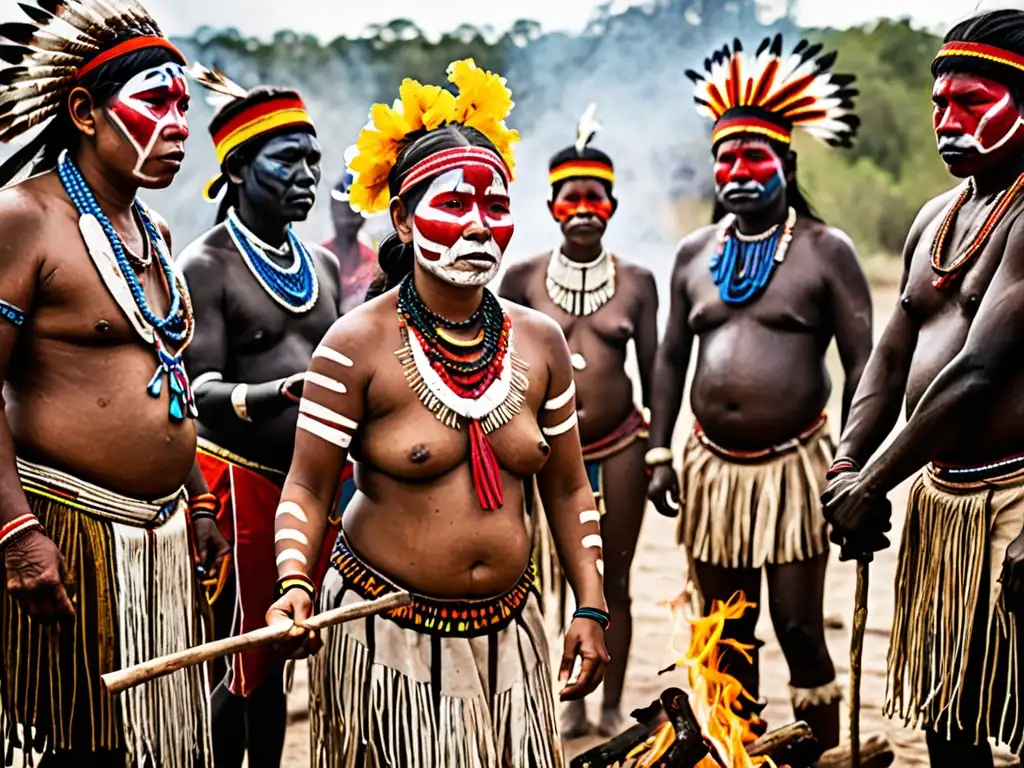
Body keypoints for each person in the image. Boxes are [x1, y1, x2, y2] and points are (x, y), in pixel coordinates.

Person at [263, 59, 610, 767]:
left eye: (496, 205)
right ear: (401, 217)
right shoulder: (356, 345)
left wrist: (591, 606)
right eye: (453, 205)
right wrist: (294, 585)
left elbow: (570, 487)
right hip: (386, 634)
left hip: (510, 633)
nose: (479, 226)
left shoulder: (539, 341)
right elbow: (306, 487)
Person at [0, 1, 229, 765]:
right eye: (155, 103)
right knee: (77, 743)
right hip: (69, 531)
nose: (178, 126)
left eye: (184, 106)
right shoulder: (24, 217)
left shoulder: (155, 234)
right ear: (84, 112)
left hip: (159, 535)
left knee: (148, 746)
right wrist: (16, 532)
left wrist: (196, 496)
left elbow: (161, 378)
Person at [645, 34, 872, 749]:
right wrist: (658, 451)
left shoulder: (825, 251)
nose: (738, 172)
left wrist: (857, 467)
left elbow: (867, 364)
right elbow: (672, 354)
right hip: (711, 469)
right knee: (726, 636)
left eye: (755, 157)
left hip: (799, 469)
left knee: (800, 629)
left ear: (788, 164)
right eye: (725, 159)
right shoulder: (693, 254)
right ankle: (743, 758)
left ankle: (820, 755)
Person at [822, 10, 1024, 766]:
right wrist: (847, 465)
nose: (947, 123)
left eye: (971, 103)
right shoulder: (936, 217)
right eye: (939, 105)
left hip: (1017, 500)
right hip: (943, 503)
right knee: (949, 721)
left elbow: (977, 372)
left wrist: (874, 481)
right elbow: (888, 353)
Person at [177, 67, 343, 768]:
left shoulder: (324, 266)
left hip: (316, 488)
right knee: (241, 664)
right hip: (238, 490)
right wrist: (278, 393)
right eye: (289, 160)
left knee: (287, 655)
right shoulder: (206, 265)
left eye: (314, 159)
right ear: (240, 168)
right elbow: (191, 390)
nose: (308, 175)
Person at [499, 104, 658, 738]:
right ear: (552, 207)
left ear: (612, 208)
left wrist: (661, 452)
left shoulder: (639, 283)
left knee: (610, 574)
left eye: (596, 198)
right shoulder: (522, 279)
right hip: (540, 447)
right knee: (543, 573)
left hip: (621, 445)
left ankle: (612, 700)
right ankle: (564, 698)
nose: (584, 209)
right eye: (571, 199)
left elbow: (660, 371)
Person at [322, 171, 379, 314]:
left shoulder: (376, 264)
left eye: (352, 212)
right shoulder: (317, 259)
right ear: (333, 210)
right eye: (341, 209)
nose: (346, 219)